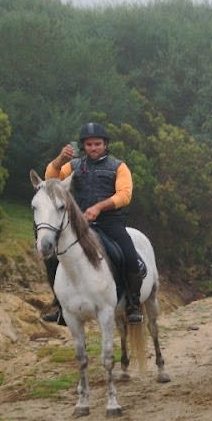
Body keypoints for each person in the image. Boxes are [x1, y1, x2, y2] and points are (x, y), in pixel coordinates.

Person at [41, 121, 146, 325]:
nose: (93, 148)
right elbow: (50, 179)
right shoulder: (75, 165)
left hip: (110, 222)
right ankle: (61, 305)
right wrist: (60, 160)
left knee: (128, 254)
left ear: (105, 144)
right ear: (83, 146)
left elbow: (124, 195)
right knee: (52, 257)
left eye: (97, 144)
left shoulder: (119, 166)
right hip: (80, 225)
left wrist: (99, 207)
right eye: (89, 145)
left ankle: (133, 303)